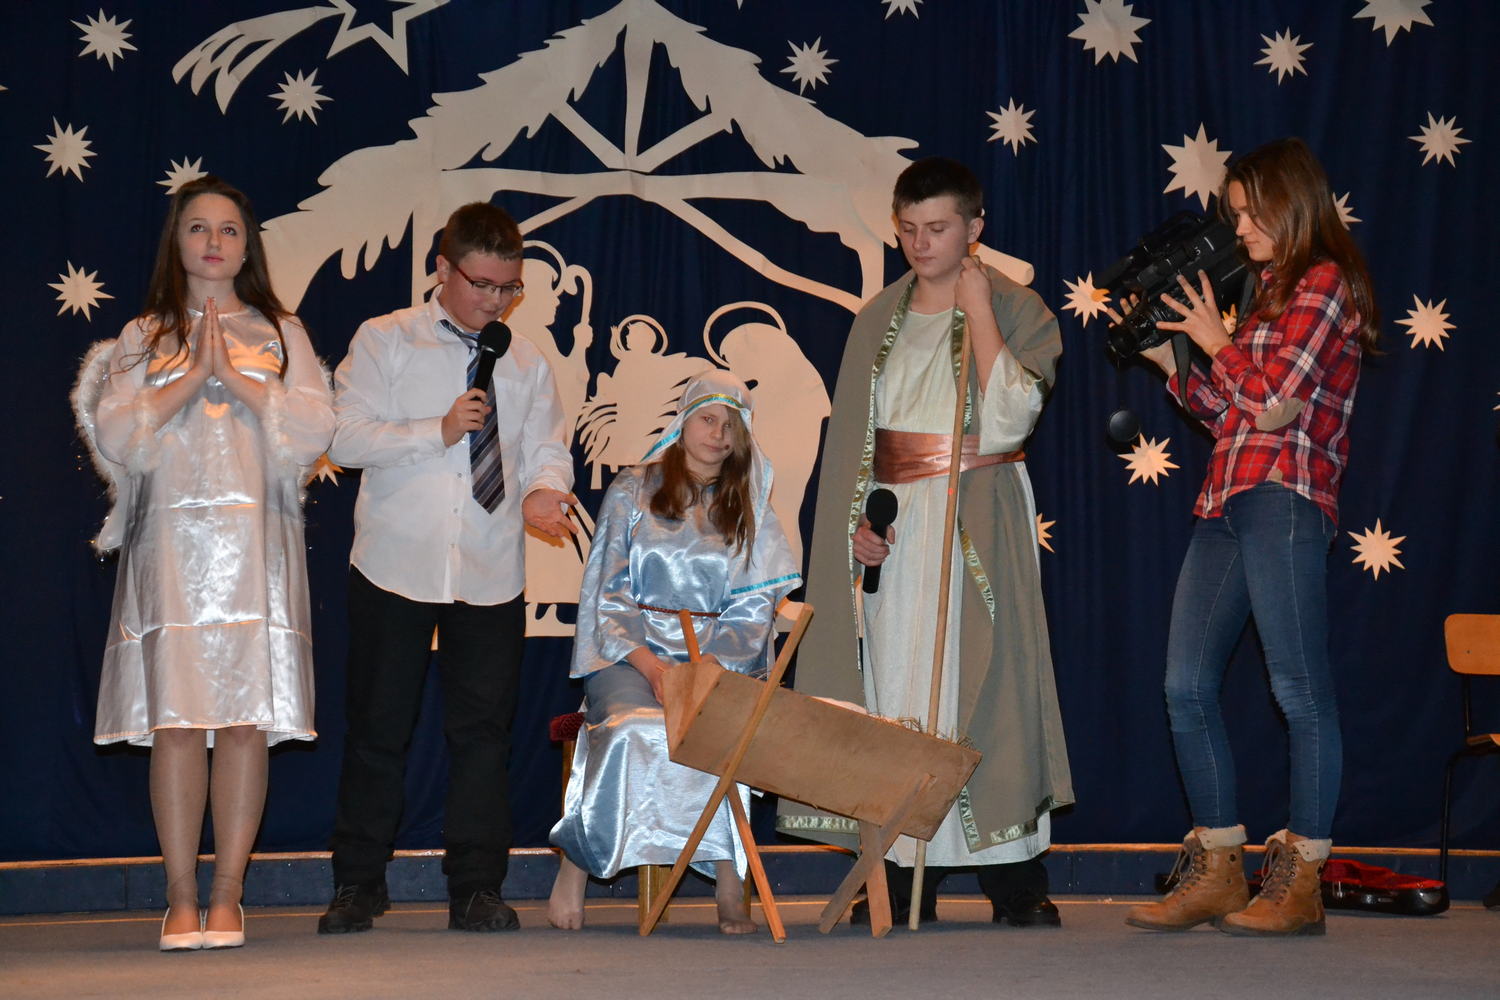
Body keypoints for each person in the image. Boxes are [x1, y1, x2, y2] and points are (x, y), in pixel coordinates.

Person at [776, 158, 1073, 926]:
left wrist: (978, 311)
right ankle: (906, 866)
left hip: (977, 514)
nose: (920, 243)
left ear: (976, 228)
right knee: (900, 690)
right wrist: (858, 531)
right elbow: (856, 444)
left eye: (937, 228)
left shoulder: (1018, 308)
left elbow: (1008, 422)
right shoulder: (879, 318)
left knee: (987, 687)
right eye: (908, 229)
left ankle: (1013, 876)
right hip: (901, 525)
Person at [1121, 137, 1379, 937]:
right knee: (1184, 685)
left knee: (1299, 688)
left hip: (1287, 496)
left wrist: (1214, 341)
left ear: (1291, 203)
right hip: (1227, 497)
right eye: (1233, 215)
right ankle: (1220, 868)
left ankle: (1301, 880)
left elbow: (1273, 400)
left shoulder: (1324, 282)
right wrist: (1170, 362)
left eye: (1249, 213)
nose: (1238, 229)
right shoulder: (1264, 293)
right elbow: (1230, 412)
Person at [74, 176, 334, 951]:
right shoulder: (142, 334)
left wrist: (240, 383)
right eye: (197, 227)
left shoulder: (283, 331)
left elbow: (314, 429)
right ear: (176, 240)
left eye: (228, 229)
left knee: (245, 721)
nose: (213, 242)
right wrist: (192, 374)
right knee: (179, 722)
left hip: (258, 548)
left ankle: (228, 896)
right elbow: (117, 435)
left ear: (248, 246)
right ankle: (180, 897)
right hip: (171, 551)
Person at [319, 202, 576, 934]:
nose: (495, 302)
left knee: (484, 736)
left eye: (508, 288)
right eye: (482, 284)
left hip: (490, 571)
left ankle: (477, 887)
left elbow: (547, 448)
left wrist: (543, 490)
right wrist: (435, 430)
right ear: (442, 268)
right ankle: (358, 883)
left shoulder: (526, 362)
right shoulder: (385, 339)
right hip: (395, 564)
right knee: (378, 730)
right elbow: (344, 437)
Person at [546, 370, 800, 935]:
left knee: (719, 731)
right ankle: (577, 864)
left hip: (715, 660)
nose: (718, 435)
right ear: (684, 421)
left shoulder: (750, 505)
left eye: (730, 426)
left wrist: (708, 668)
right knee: (635, 727)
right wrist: (653, 666)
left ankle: (729, 877)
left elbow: (753, 608)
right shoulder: (633, 488)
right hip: (630, 656)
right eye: (708, 419)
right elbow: (607, 590)